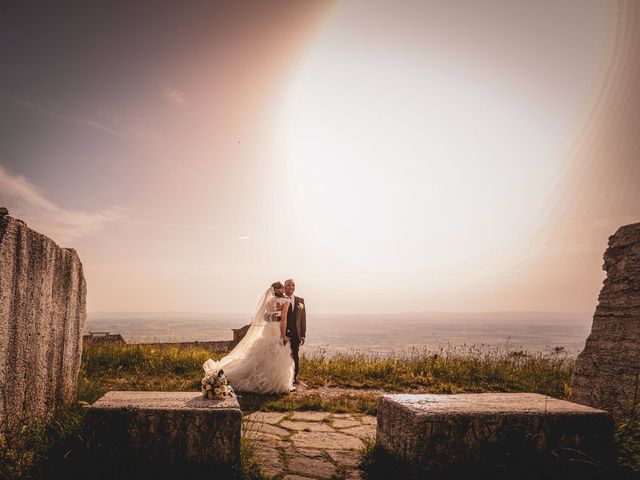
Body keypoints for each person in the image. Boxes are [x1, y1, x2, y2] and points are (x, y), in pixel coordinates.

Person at [202, 282, 294, 394]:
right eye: (283, 288)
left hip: (268, 328)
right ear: (280, 290)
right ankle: (274, 383)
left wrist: (273, 316)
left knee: (264, 353)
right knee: (276, 353)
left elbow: (265, 317)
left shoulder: (269, 301)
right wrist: (283, 335)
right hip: (277, 329)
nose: (285, 289)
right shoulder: (286, 301)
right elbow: (283, 319)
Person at [279, 279, 306, 386]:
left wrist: (303, 334)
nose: (291, 287)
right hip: (282, 333)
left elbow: (303, 318)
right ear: (284, 287)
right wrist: (282, 334)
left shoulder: (300, 300)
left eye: (293, 285)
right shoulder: (279, 299)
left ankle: (294, 378)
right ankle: (282, 378)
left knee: (295, 355)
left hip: (296, 334)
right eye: (288, 285)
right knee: (282, 356)